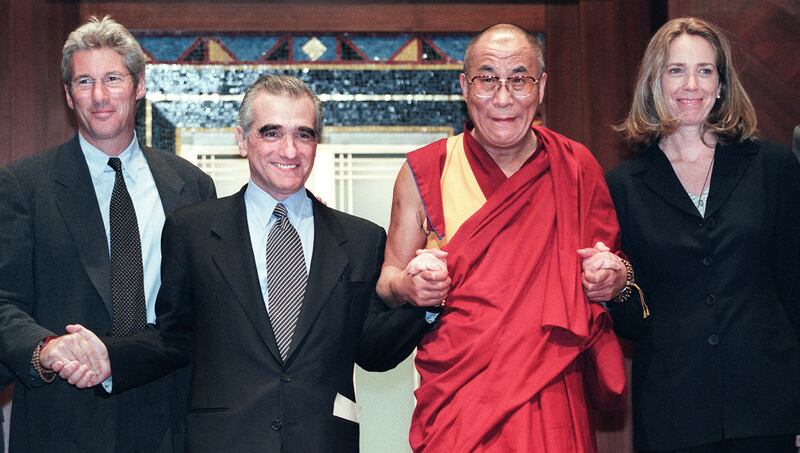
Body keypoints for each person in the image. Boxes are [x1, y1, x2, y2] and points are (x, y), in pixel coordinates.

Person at [87, 74, 432, 453]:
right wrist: (110, 356)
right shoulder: (193, 231)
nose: (289, 150)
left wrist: (424, 302)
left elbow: (373, 352)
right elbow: (175, 338)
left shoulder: (362, 239)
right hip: (223, 442)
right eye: (271, 133)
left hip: (323, 441)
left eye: (303, 134)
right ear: (242, 139)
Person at [377, 23, 632, 452]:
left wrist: (614, 278)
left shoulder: (575, 167)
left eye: (519, 79)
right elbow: (387, 281)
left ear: (542, 86)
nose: (503, 98)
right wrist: (409, 286)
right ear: (464, 85)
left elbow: (615, 267)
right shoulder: (426, 170)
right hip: (459, 396)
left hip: (551, 387)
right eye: (487, 78)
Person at [0, 16, 216, 453]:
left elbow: (205, 308)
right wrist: (45, 350)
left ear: (138, 86)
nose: (99, 96)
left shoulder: (192, 186)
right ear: (68, 95)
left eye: (113, 79)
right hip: (62, 419)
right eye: (84, 81)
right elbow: (4, 300)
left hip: (170, 417)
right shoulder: (24, 185)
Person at [608, 17, 800, 453]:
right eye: (675, 70)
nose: (690, 84)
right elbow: (631, 323)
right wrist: (615, 287)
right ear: (654, 82)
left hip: (769, 406)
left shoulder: (773, 167)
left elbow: (796, 287)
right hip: (674, 413)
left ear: (721, 84)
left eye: (705, 70)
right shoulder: (623, 185)